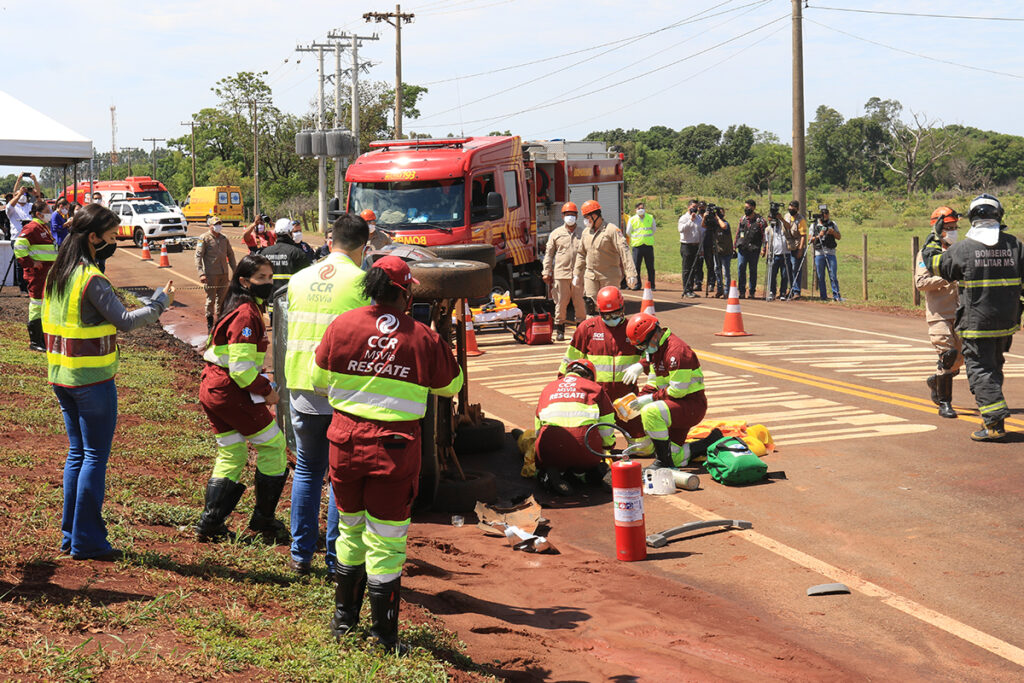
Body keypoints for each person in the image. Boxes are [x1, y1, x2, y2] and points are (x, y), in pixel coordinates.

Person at [314, 255, 463, 651]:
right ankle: (383, 637)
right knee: (388, 539)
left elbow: (317, 377)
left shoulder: (342, 325)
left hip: (344, 441)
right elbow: (451, 387)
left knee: (349, 530)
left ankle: (343, 623)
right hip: (394, 450)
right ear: (404, 291)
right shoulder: (423, 337)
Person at [42, 204, 173, 560]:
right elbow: (126, 321)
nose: (115, 242)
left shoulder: (59, 272)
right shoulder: (90, 278)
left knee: (78, 454)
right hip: (92, 381)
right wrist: (160, 304)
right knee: (94, 457)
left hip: (61, 377)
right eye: (112, 237)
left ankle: (71, 535)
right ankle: (88, 541)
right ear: (93, 237)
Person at [285, 213, 370, 578]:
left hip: (302, 385)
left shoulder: (301, 278)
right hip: (342, 392)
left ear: (330, 240)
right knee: (340, 475)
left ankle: (300, 555)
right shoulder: (363, 283)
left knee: (306, 469)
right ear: (363, 248)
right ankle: (336, 559)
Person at [195, 254, 289, 543]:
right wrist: (267, 391)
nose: (268, 283)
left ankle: (211, 523)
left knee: (232, 453)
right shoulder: (247, 314)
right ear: (245, 281)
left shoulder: (236, 305)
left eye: (271, 278)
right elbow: (242, 370)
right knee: (274, 446)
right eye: (262, 278)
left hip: (213, 387)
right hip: (230, 390)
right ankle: (263, 519)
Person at [924, 193, 1024, 441]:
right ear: (999, 216)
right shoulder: (1015, 245)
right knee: (994, 365)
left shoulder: (964, 249)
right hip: (1007, 322)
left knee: (979, 369)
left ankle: (993, 423)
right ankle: (993, 412)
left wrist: (934, 241)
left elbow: (937, 265)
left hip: (977, 322)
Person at [560, 286, 651, 454]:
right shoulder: (587, 329)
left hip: (626, 401)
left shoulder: (633, 328)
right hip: (596, 401)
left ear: (623, 309)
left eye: (616, 314)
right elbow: (570, 360)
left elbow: (653, 354)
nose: (611, 319)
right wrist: (561, 384)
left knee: (644, 449)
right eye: (606, 316)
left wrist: (642, 365)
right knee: (596, 448)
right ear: (599, 312)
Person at [625, 312, 708, 469]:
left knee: (650, 411)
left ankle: (663, 463)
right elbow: (653, 382)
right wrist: (636, 400)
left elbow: (678, 391)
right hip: (675, 405)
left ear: (654, 335)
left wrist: (648, 400)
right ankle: (708, 443)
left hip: (690, 406)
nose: (643, 350)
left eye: (643, 345)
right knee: (675, 458)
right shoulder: (656, 351)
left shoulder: (677, 352)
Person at [534, 359, 616, 495]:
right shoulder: (595, 388)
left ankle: (549, 476)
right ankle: (595, 472)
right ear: (590, 377)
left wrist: (541, 453)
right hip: (586, 448)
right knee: (588, 462)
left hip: (550, 449)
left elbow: (538, 430)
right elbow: (606, 427)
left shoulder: (548, 388)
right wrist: (606, 449)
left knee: (545, 465)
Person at [915, 207, 964, 419]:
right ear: (938, 229)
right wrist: (948, 278)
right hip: (939, 314)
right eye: (948, 228)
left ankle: (936, 381)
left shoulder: (961, 251)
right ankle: (945, 403)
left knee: (960, 360)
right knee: (947, 355)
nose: (952, 231)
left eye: (955, 227)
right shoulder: (927, 254)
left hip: (962, 313)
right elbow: (921, 283)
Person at [572, 200, 637, 304]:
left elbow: (624, 251)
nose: (586, 221)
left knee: (609, 307)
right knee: (591, 306)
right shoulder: (586, 232)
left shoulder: (612, 230)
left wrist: (631, 274)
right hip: (591, 276)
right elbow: (581, 254)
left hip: (609, 277)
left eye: (588, 217)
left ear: (595, 215)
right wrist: (576, 273)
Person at [14, 199, 58, 351]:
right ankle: (35, 341)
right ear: (38, 214)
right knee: (37, 304)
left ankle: (42, 339)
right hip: (37, 274)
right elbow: (19, 246)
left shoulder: (42, 227)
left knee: (44, 304)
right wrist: (30, 263)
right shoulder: (32, 228)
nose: (50, 214)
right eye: (47, 212)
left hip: (47, 272)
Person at [542, 202, 586, 341]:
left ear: (577, 216)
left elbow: (590, 253)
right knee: (561, 303)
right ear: (562, 216)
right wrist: (546, 271)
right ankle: (560, 330)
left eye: (573, 215)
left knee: (580, 303)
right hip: (561, 274)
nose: (570, 217)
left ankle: (580, 331)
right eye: (568, 215)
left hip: (579, 275)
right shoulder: (556, 234)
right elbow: (548, 255)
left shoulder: (583, 233)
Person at [195, 216, 237, 330]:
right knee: (211, 299)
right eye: (216, 224)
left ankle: (220, 322)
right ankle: (209, 322)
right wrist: (201, 273)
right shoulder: (204, 238)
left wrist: (236, 270)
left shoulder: (224, 239)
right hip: (210, 275)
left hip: (224, 274)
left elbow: (231, 255)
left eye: (220, 223)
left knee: (222, 299)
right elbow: (198, 256)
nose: (219, 226)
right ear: (210, 226)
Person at [261, 218, 312, 292]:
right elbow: (306, 278)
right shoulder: (297, 253)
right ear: (290, 233)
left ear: (275, 233)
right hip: (291, 297)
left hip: (269, 298)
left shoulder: (265, 253)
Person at [734, 199, 766, 300]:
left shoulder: (760, 221)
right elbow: (738, 233)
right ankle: (742, 292)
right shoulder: (742, 219)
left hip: (754, 249)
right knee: (741, 268)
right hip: (742, 248)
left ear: (753, 208)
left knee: (753, 270)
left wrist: (764, 248)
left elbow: (765, 236)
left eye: (748, 208)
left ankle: (752, 292)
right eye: (745, 207)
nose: (746, 209)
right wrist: (734, 246)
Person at [810, 205, 842, 301]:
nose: (826, 218)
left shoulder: (832, 224)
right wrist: (819, 235)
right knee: (820, 276)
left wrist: (833, 233)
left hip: (831, 252)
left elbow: (839, 237)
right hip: (819, 253)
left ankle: (836, 296)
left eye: (827, 215)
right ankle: (823, 296)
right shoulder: (814, 225)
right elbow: (810, 239)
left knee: (833, 275)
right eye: (824, 216)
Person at [761, 204, 791, 301]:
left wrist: (781, 219)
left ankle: (783, 292)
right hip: (774, 254)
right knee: (772, 274)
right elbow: (767, 242)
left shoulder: (783, 225)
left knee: (784, 275)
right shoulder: (768, 229)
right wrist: (767, 253)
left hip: (785, 253)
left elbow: (789, 227)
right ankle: (772, 292)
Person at [625, 201, 656, 290]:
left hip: (648, 245)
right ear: (635, 210)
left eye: (642, 208)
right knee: (636, 266)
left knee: (650, 267)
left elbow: (654, 229)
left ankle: (652, 285)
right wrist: (637, 238)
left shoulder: (650, 217)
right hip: (637, 246)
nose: (641, 210)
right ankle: (637, 284)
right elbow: (628, 232)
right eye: (639, 208)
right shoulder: (632, 219)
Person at [781, 200, 808, 299]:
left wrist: (801, 249)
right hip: (788, 246)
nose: (790, 209)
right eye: (789, 208)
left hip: (797, 247)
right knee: (789, 269)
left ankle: (796, 291)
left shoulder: (801, 220)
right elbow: (787, 227)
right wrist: (781, 219)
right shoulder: (787, 216)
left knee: (795, 269)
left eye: (793, 208)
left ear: (797, 209)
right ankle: (791, 289)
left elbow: (803, 236)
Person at [677, 199, 703, 299]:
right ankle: (686, 289)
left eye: (696, 207)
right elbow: (681, 230)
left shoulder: (699, 219)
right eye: (693, 207)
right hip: (686, 246)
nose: (695, 209)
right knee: (687, 269)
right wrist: (690, 221)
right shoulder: (684, 218)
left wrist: (701, 247)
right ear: (688, 207)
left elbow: (700, 232)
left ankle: (691, 289)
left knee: (694, 269)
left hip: (696, 246)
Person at [708, 206, 733, 298]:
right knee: (717, 270)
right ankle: (719, 290)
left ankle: (727, 291)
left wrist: (717, 218)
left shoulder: (725, 223)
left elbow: (724, 226)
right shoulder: (714, 225)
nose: (719, 214)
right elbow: (703, 226)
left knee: (725, 272)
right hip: (717, 252)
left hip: (726, 252)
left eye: (720, 213)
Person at [698, 201, 717, 295]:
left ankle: (711, 283)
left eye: (703, 207)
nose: (701, 209)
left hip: (709, 242)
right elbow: (702, 226)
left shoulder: (712, 217)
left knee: (710, 265)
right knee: (698, 266)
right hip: (700, 243)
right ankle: (698, 283)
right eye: (700, 207)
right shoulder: (696, 217)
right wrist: (704, 217)